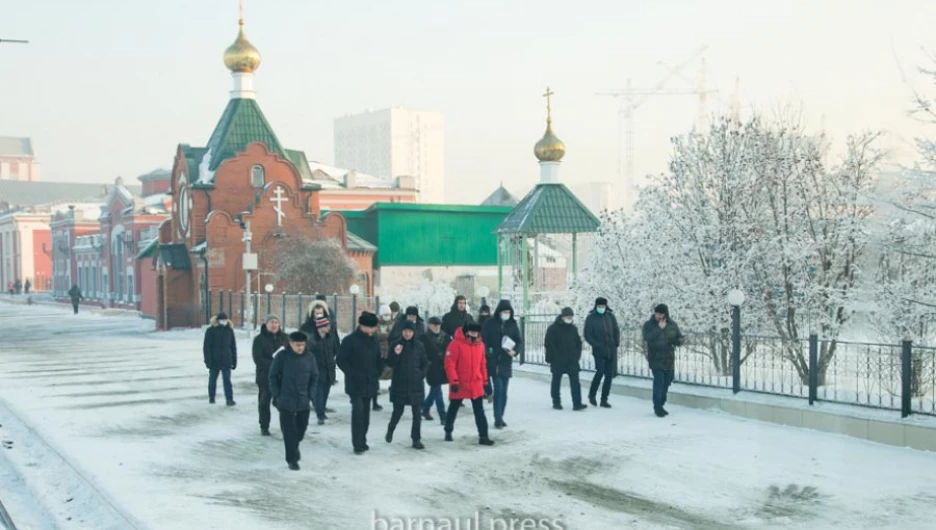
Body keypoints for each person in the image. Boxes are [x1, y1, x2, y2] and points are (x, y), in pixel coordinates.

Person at [268, 331, 318, 470]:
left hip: (303, 400)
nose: (300, 348)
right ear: (290, 344)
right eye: (297, 345)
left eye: (302, 345)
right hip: (285, 400)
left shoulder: (310, 358)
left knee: (300, 431)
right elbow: (272, 376)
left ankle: (294, 445)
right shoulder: (282, 356)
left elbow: (315, 377)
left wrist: (310, 394)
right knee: (289, 432)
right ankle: (292, 459)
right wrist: (277, 395)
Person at [336, 311, 383, 455]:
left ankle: (362, 440)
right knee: (358, 414)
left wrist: (377, 372)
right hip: (355, 384)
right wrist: (352, 373)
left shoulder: (374, 340)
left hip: (370, 383)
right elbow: (340, 359)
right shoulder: (350, 340)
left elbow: (378, 359)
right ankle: (357, 444)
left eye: (374, 328)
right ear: (363, 326)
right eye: (371, 327)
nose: (373, 330)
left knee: (366, 416)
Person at [444, 323, 495, 446]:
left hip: (475, 383)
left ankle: (483, 436)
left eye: (476, 332)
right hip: (460, 383)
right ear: (466, 332)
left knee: (479, 411)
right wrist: (454, 381)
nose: (474, 335)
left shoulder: (480, 346)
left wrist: (485, 382)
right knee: (453, 408)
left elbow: (482, 365)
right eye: (472, 332)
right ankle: (448, 430)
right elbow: (449, 364)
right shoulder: (455, 345)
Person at [385, 321, 430, 449]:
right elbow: (390, 363)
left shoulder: (419, 346)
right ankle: (390, 430)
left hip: (416, 385)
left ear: (413, 332)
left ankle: (416, 439)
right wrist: (396, 354)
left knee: (417, 414)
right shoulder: (395, 344)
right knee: (398, 411)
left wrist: (421, 375)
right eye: (405, 331)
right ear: (402, 332)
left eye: (410, 331)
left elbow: (425, 363)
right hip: (400, 384)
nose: (407, 334)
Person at [481, 300, 522, 429]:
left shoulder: (513, 324)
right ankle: (497, 418)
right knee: (498, 390)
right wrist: (488, 351)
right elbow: (484, 340)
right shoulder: (490, 323)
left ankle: (501, 416)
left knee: (504, 392)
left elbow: (519, 341)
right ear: (499, 312)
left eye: (509, 312)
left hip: (506, 361)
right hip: (494, 361)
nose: (507, 314)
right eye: (505, 312)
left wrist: (515, 351)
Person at [642, 304, 684, 418]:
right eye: (657, 313)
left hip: (668, 358)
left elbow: (680, 337)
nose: (658, 316)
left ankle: (661, 403)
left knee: (666, 383)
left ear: (665, 314)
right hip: (655, 358)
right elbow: (646, 337)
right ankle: (657, 407)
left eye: (661, 314)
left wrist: (678, 341)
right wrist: (658, 328)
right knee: (659, 382)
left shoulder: (672, 324)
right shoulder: (649, 324)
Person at [545, 307, 587, 411]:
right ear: (562, 317)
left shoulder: (573, 328)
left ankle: (577, 404)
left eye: (571, 317)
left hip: (572, 360)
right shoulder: (553, 328)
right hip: (557, 360)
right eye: (568, 317)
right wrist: (554, 356)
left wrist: (577, 355)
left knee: (575, 382)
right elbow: (548, 344)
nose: (570, 319)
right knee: (556, 381)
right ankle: (556, 402)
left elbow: (578, 342)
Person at [252, 314, 288, 435]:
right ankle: (264, 426)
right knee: (263, 403)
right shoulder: (259, 340)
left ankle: (286, 428)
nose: (274, 325)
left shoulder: (285, 338)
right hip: (265, 377)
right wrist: (275, 365)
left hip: (282, 378)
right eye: (271, 322)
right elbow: (258, 359)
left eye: (276, 322)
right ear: (266, 324)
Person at [584, 297, 620, 408]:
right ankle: (592, 394)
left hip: (611, 350)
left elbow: (616, 330)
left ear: (606, 306)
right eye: (599, 306)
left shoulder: (610, 317)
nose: (601, 308)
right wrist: (596, 345)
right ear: (596, 306)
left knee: (609, 375)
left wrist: (616, 342)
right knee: (600, 372)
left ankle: (604, 399)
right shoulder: (591, 318)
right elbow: (587, 334)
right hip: (599, 350)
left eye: (603, 306)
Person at [307, 316, 339, 425]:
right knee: (318, 393)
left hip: (329, 369)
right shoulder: (312, 340)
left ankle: (322, 410)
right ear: (320, 327)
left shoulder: (331, 337)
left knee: (325, 392)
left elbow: (334, 350)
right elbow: (308, 355)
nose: (328, 327)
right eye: (326, 326)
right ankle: (319, 414)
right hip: (317, 370)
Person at [421, 316, 451, 423]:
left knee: (434, 390)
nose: (437, 327)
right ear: (429, 325)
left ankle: (425, 409)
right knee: (437, 390)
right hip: (431, 367)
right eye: (434, 325)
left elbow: (450, 350)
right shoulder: (424, 338)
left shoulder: (446, 337)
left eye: (438, 325)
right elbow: (422, 353)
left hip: (442, 367)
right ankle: (443, 415)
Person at [204, 312, 237, 406]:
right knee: (212, 380)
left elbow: (233, 346)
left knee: (227, 381)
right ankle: (211, 398)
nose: (224, 321)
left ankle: (229, 399)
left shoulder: (229, 330)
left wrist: (234, 361)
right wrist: (208, 361)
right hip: (215, 360)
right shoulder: (211, 330)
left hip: (227, 360)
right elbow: (207, 347)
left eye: (225, 320)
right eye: (222, 320)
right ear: (217, 320)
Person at [373, 310, 394, 412]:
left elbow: (393, 335)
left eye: (388, 314)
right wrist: (387, 334)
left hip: (389, 352)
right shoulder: (376, 323)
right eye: (385, 314)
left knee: (392, 373)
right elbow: (376, 335)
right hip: (378, 353)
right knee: (375, 375)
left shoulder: (392, 324)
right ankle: (374, 400)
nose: (387, 316)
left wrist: (386, 334)